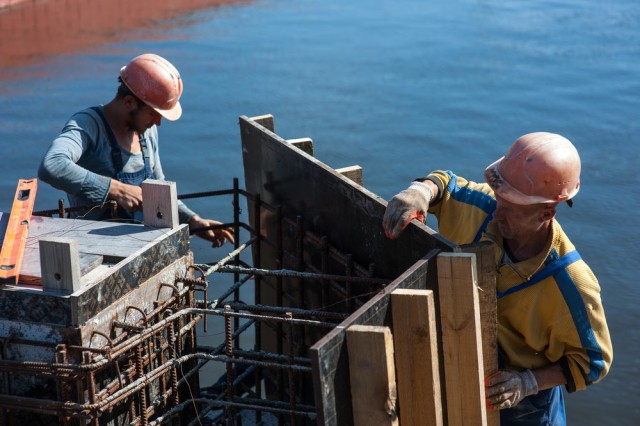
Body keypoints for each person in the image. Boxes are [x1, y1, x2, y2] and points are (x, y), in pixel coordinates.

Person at [382, 132, 612, 425]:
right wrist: (420, 190)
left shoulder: (571, 283)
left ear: (546, 213)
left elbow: (594, 362)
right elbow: (446, 183)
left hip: (524, 404)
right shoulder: (488, 208)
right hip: (461, 366)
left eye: (511, 207)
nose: (497, 213)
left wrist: (527, 382)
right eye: (499, 197)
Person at [38, 53, 233, 247]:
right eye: (153, 114)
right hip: (93, 249)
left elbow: (158, 187)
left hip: (141, 247)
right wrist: (117, 190)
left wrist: (192, 221)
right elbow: (52, 165)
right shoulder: (87, 125)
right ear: (129, 102)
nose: (158, 122)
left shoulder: (147, 131)